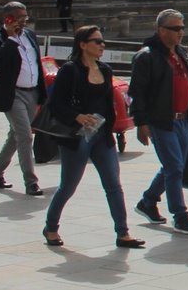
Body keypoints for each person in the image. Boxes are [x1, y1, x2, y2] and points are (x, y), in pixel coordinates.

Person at [39, 26, 146, 249]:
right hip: (77, 137)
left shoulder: (105, 70)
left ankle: (123, 233)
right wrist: (76, 116)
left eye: (102, 41)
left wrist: (112, 130)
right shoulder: (70, 70)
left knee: (114, 186)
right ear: (83, 44)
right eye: (97, 41)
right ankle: (50, 227)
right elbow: (56, 103)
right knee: (68, 186)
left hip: (102, 136)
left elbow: (107, 103)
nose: (102, 45)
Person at [131, 9, 188, 235]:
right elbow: (138, 92)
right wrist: (141, 123)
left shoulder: (180, 52)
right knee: (174, 167)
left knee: (174, 166)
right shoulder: (147, 56)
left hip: (183, 120)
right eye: (176, 28)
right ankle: (180, 215)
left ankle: (148, 201)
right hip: (161, 121)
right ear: (161, 30)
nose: (181, 32)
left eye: (182, 27)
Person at [0, 1, 47, 196]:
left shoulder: (29, 35)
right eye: (19, 17)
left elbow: (36, 61)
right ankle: (31, 182)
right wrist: (11, 38)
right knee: (25, 135)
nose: (23, 21)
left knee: (16, 135)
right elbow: (1, 64)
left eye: (25, 17)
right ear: (7, 18)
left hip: (33, 91)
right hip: (13, 94)